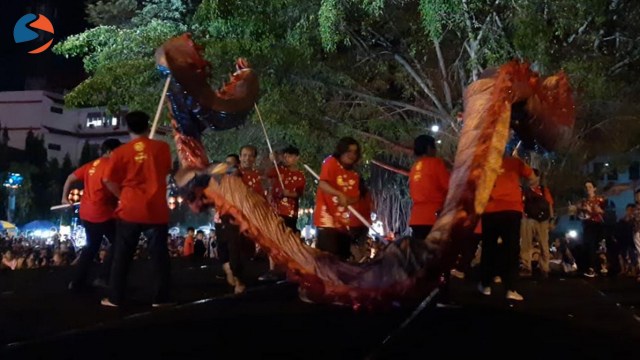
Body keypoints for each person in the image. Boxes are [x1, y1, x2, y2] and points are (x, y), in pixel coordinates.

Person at [100, 111, 173, 308]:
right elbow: (167, 170)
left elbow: (108, 180)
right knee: (159, 255)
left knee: (122, 255)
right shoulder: (162, 148)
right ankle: (161, 298)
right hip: (156, 210)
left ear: (127, 127)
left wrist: (121, 195)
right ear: (148, 125)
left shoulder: (119, 152)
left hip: (130, 209)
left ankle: (115, 297)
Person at [62, 138, 122, 291]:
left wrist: (64, 198)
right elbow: (109, 181)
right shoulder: (111, 165)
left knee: (92, 246)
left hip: (86, 213)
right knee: (119, 242)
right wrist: (123, 197)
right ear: (110, 152)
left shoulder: (91, 165)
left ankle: (77, 282)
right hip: (102, 213)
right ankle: (103, 277)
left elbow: (69, 178)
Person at [479, 154, 534, 301]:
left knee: (488, 247)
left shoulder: (484, 160)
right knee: (512, 249)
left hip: (490, 209)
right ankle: (511, 288)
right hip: (511, 209)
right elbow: (533, 177)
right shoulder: (515, 162)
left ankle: (485, 285)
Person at [260, 145, 306, 280]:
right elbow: (267, 174)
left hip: (290, 213)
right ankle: (272, 269)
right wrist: (271, 160)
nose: (287, 159)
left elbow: (299, 194)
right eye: (285, 156)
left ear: (297, 158)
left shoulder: (300, 176)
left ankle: (290, 268)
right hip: (274, 211)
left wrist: (289, 193)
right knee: (272, 239)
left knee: (287, 240)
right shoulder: (279, 170)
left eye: (291, 156)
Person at [313, 137, 361, 260]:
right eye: (349, 151)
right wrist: (339, 194)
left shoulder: (354, 175)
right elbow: (322, 184)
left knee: (342, 259)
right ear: (341, 150)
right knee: (328, 259)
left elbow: (355, 197)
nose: (352, 155)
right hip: (327, 220)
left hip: (343, 223)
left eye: (355, 152)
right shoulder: (331, 162)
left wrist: (347, 201)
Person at [408, 134, 450, 242]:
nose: (436, 151)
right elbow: (449, 186)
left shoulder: (414, 167)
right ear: (428, 148)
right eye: (434, 147)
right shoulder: (436, 163)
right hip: (434, 217)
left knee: (420, 254)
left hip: (416, 218)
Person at [520, 168, 554, 278]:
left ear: (537, 178)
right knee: (526, 245)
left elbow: (549, 205)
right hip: (528, 219)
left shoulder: (544, 190)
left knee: (544, 245)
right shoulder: (524, 191)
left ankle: (544, 268)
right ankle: (526, 267)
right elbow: (521, 204)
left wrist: (551, 219)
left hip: (543, 221)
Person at [577, 180, 606, 278]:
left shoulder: (599, 199)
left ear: (594, 188)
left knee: (594, 246)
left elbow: (602, 212)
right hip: (587, 224)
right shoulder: (584, 201)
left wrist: (594, 211)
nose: (588, 189)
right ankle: (590, 267)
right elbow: (581, 215)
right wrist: (580, 211)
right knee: (587, 246)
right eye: (586, 187)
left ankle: (595, 268)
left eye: (590, 187)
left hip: (596, 224)